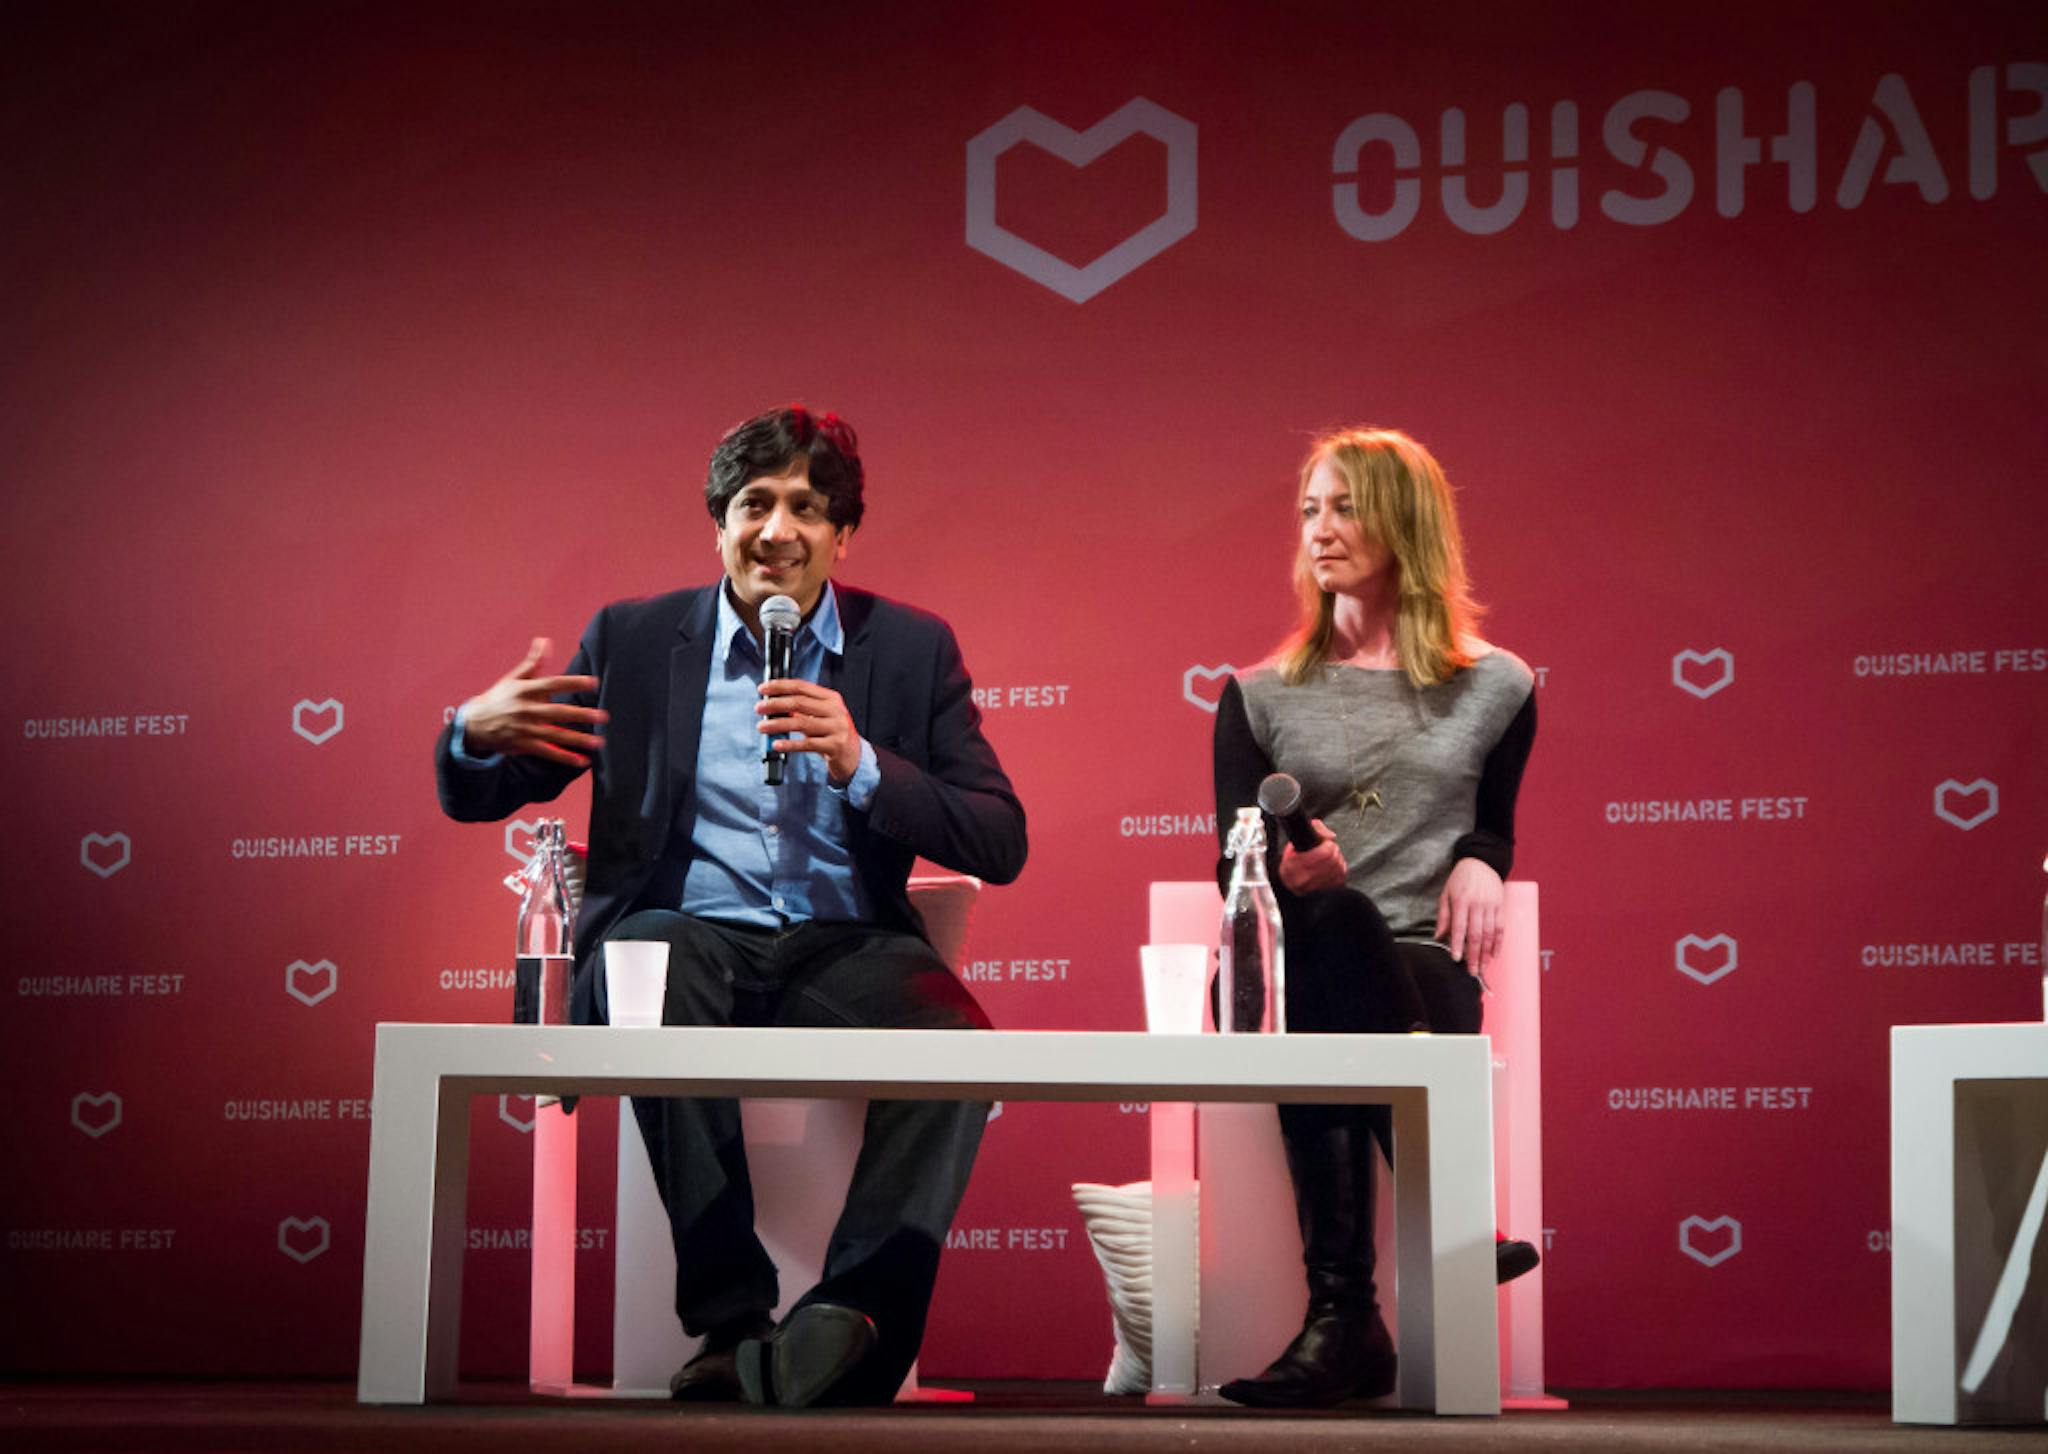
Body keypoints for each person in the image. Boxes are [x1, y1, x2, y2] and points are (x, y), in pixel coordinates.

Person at [434, 405, 1027, 1408]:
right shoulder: (631, 640)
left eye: (805, 507)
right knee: (653, 971)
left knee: (958, 1043)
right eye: (754, 504)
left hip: (843, 944)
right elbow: (489, 791)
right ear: (719, 525)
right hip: (686, 935)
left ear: (842, 534)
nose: (776, 529)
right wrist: (471, 731)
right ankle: (731, 1321)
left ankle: (851, 1318)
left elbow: (998, 837)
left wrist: (862, 762)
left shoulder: (909, 648)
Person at [1210, 426, 1537, 1408]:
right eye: (1309, 509)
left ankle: (1342, 1321)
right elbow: (1231, 861)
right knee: (1343, 921)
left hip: (1422, 965)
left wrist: (1483, 859)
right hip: (1285, 958)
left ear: (1406, 523)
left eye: (1345, 508)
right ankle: (1454, 1226)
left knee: (1382, 953)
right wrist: (1288, 872)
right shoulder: (1256, 696)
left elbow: (1493, 820)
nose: (1319, 529)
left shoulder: (1498, 687)